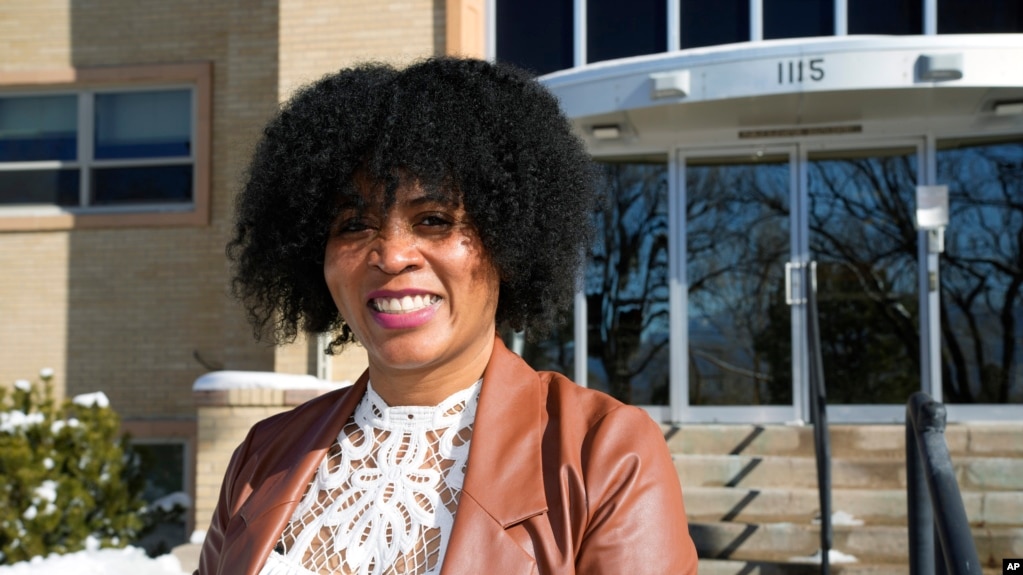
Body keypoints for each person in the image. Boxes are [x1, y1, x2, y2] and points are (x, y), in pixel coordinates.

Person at [197, 56, 698, 575]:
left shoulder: (605, 455)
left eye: (433, 220)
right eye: (353, 224)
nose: (392, 255)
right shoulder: (263, 455)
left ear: (511, 241)